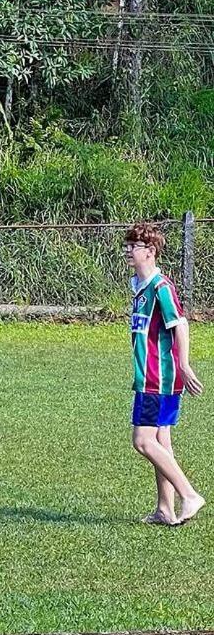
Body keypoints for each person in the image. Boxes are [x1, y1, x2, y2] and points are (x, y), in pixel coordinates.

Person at [125, 222, 204, 526]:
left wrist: (183, 364)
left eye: (134, 246)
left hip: (158, 378)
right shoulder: (139, 286)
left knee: (143, 441)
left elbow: (180, 324)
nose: (128, 251)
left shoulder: (160, 287)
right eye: (127, 246)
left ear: (151, 251)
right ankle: (165, 509)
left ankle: (190, 495)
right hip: (153, 377)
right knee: (162, 441)